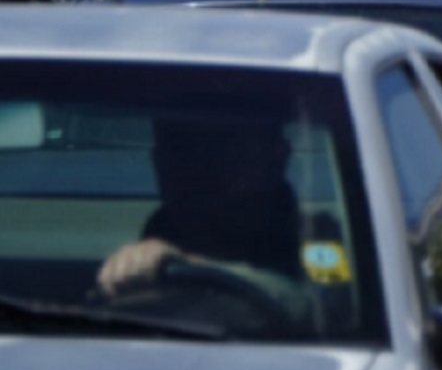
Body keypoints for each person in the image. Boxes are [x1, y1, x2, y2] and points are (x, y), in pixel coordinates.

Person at [96, 113, 307, 307]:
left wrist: (186, 265)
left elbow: (316, 306)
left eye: (225, 149)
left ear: (275, 159)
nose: (199, 170)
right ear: (158, 162)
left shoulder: (312, 236)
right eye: (180, 150)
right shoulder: (164, 228)